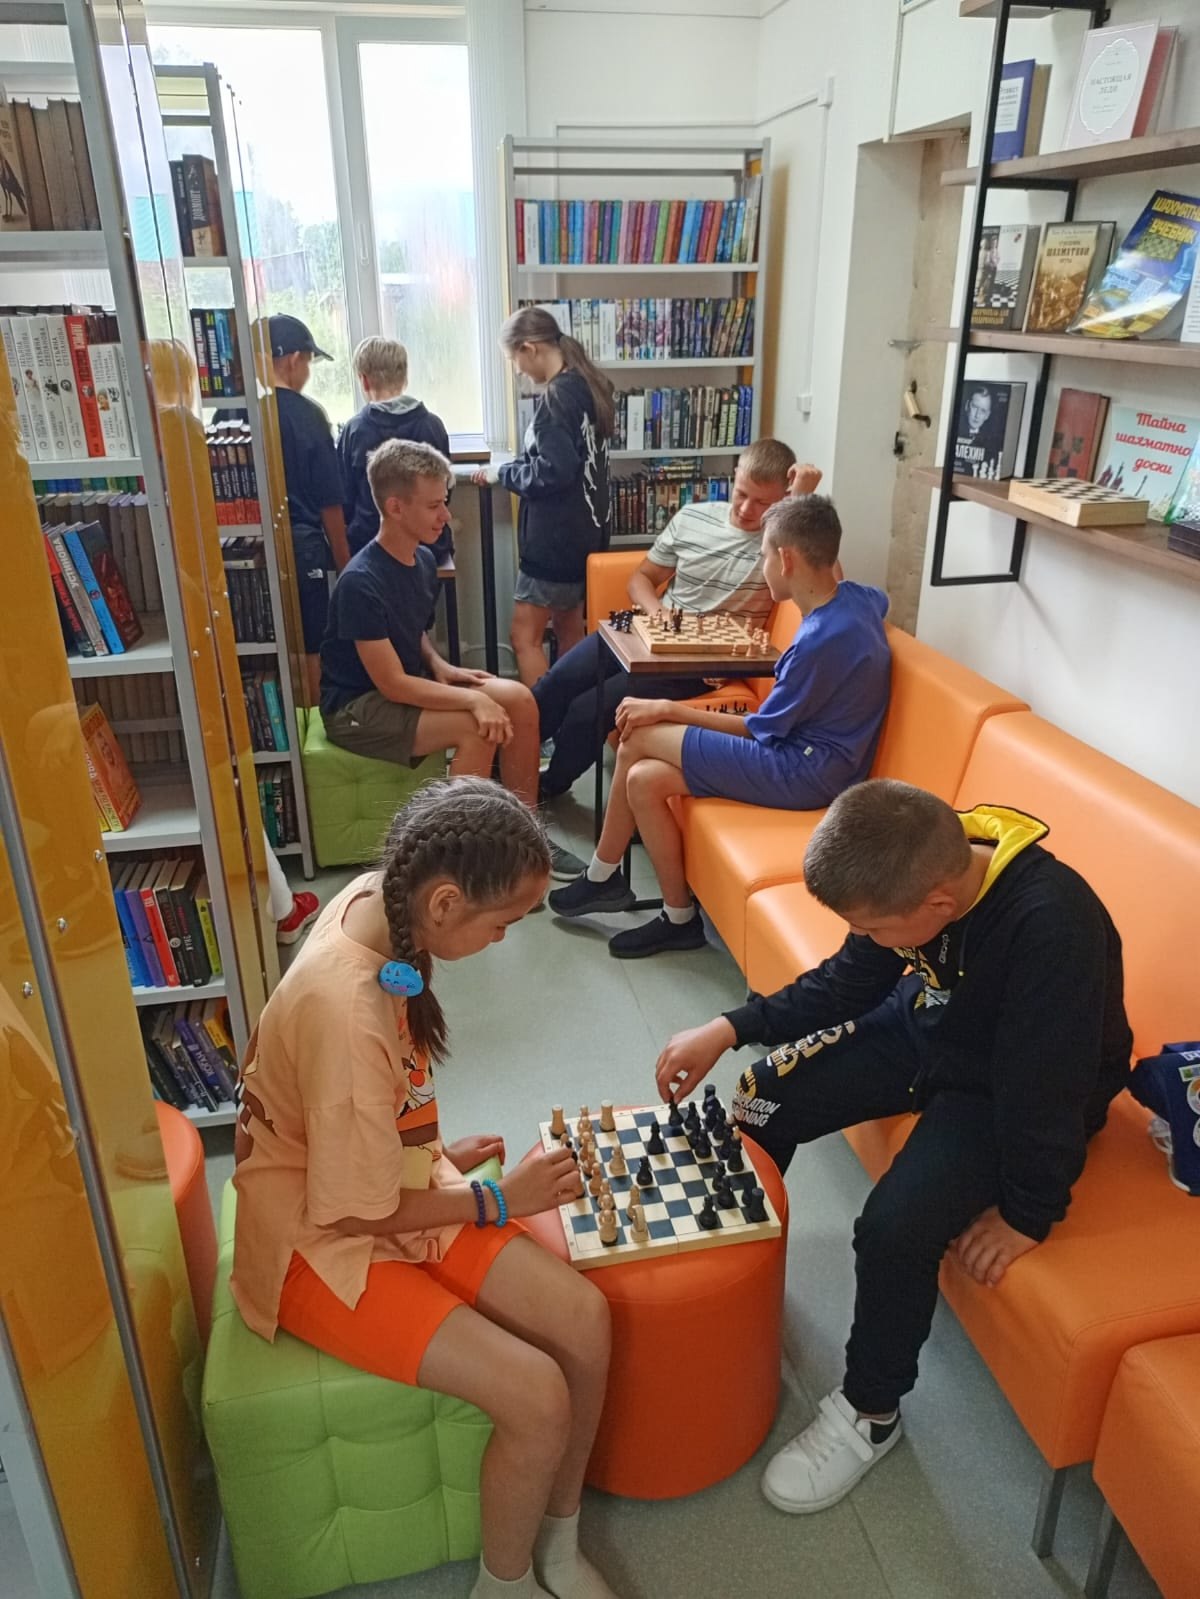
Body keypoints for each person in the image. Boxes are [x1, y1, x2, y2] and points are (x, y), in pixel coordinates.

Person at [654, 779, 1132, 1516]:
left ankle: (871, 1412)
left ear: (939, 904)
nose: (867, 937)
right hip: (930, 1025)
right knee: (759, 1092)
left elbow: (1048, 1088)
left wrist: (1029, 1213)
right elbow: (851, 982)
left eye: (872, 927)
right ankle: (731, 1278)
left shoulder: (1052, 926)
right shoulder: (914, 870)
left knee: (892, 1228)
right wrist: (729, 1026)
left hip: (1005, 1084)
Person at [230, 779, 620, 1599]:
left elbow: (373, 1099)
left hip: (383, 1180)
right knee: (537, 1393)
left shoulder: (386, 896)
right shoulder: (343, 1008)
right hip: (319, 1240)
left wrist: (425, 1147)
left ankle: (559, 1537)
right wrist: (497, 1198)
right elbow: (352, 1209)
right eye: (502, 922)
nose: (505, 939)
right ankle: (504, 1585)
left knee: (585, 1318)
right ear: (445, 903)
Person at [549, 496, 891, 959]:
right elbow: (873, 597)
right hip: (817, 759)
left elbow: (759, 731)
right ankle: (678, 917)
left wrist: (667, 709)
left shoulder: (817, 642)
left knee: (640, 735)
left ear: (786, 560)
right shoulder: (861, 600)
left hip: (804, 771)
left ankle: (602, 876)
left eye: (764, 555)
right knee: (644, 780)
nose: (762, 566)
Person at [534, 440, 821, 804]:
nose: (747, 509)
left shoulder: (779, 545)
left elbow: (823, 587)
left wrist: (803, 502)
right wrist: (658, 613)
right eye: (741, 494)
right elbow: (640, 579)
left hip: (694, 661)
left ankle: (546, 787)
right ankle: (503, 765)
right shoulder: (693, 517)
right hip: (645, 628)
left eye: (763, 503)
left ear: (783, 499)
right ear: (734, 477)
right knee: (556, 681)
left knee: (587, 710)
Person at [320, 439, 539, 805]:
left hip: (402, 685)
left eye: (444, 503)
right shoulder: (360, 583)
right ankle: (457, 839)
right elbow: (392, 684)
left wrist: (439, 664)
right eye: (434, 506)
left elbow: (410, 628)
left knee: (520, 699)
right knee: (478, 728)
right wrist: (471, 699)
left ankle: (524, 825)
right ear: (395, 508)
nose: (446, 516)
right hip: (356, 706)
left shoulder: (422, 560)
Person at [472, 306, 613, 687]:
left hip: (553, 541)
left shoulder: (555, 399)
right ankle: (572, 714)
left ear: (529, 348)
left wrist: (505, 473)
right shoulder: (589, 386)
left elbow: (554, 470)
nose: (518, 371)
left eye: (514, 361)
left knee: (524, 636)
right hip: (587, 534)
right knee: (570, 631)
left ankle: (542, 716)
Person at [268, 314, 350, 701]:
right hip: (302, 549)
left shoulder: (231, 414)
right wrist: (346, 565)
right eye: (309, 363)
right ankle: (312, 728)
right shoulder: (309, 415)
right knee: (310, 649)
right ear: (294, 360)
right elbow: (330, 502)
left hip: (248, 549)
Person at [339, 336, 454, 563]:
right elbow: (445, 494)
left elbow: (345, 499)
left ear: (364, 381)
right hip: (430, 546)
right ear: (405, 378)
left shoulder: (355, 430)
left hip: (369, 546)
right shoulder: (433, 426)